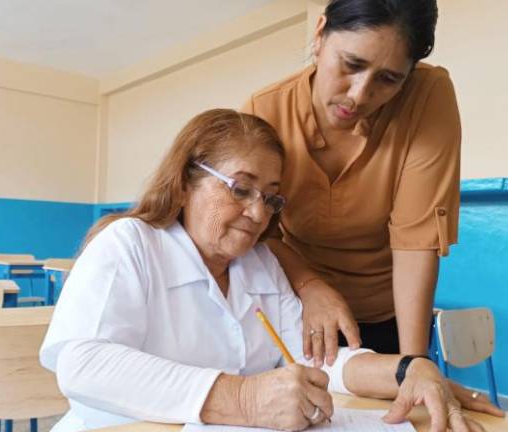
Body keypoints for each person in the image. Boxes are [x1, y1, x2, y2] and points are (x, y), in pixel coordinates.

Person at [40, 109, 485, 432]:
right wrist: (242, 398)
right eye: (240, 188)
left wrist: (408, 370)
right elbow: (84, 364)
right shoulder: (130, 243)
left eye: (271, 198)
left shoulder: (260, 265)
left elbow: (313, 359)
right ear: (184, 182)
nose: (258, 213)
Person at [242, 0, 455, 364]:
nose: (359, 95)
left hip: (385, 313)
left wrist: (413, 363)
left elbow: (416, 240)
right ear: (320, 34)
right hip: (294, 305)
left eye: (389, 79)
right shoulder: (264, 111)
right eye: (351, 64)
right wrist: (310, 286)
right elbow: (262, 233)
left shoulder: (427, 95)